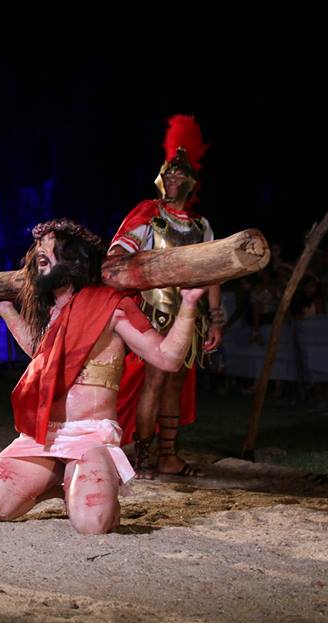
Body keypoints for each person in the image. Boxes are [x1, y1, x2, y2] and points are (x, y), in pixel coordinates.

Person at [0, 219, 204, 534]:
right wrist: (6, 311)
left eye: (48, 248)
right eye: (37, 250)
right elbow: (40, 353)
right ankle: (57, 482)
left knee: (91, 524)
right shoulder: (52, 312)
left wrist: (188, 304)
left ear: (73, 260)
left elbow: (167, 358)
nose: (38, 252)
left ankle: (83, 486)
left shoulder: (113, 307)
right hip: (43, 436)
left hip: (89, 438)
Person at [108, 115, 223, 477]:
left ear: (191, 182)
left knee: (176, 383)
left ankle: (168, 456)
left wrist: (215, 318)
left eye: (179, 174)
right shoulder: (149, 215)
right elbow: (119, 254)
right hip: (154, 312)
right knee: (154, 382)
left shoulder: (201, 225)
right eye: (168, 172)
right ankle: (143, 457)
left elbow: (213, 271)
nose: (173, 178)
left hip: (190, 316)